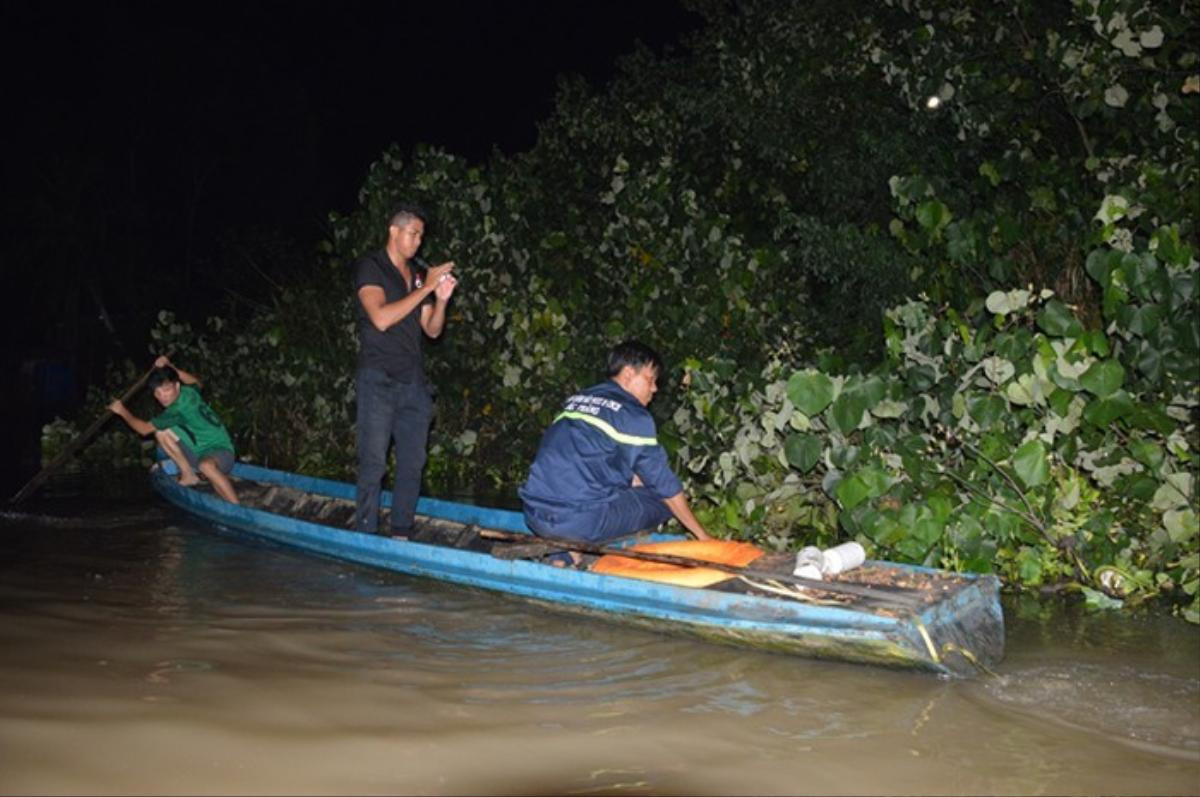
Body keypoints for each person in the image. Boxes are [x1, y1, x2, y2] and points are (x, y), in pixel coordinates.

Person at [519, 340, 714, 555]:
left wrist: (631, 479)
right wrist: (702, 536)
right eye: (650, 380)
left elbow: (584, 461)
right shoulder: (633, 415)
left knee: (634, 484)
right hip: (579, 522)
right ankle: (578, 549)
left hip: (534, 514)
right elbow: (665, 487)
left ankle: (564, 555)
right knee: (662, 502)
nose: (655, 389)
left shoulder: (578, 400)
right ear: (629, 374)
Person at [352, 203, 458, 536]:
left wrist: (440, 298)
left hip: (413, 380)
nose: (417, 243)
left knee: (413, 462)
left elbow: (433, 330)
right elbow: (381, 318)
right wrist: (426, 287)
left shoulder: (415, 274)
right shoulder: (371, 267)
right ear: (394, 231)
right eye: (413, 234)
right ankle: (365, 532)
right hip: (378, 377)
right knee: (374, 463)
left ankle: (402, 531)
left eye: (421, 237)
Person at [108, 355, 239, 504]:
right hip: (201, 451)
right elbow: (196, 382)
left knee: (206, 466)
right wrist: (170, 366)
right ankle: (188, 475)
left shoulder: (176, 410)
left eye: (166, 390)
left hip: (222, 454)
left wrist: (122, 411)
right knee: (161, 432)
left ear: (177, 386)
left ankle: (237, 508)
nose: (162, 397)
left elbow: (143, 430)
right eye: (157, 393)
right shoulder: (189, 393)